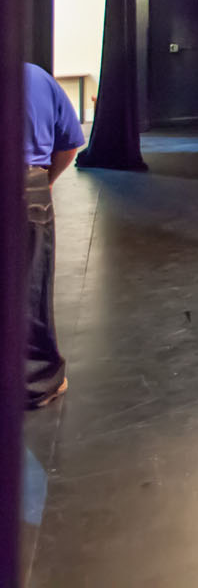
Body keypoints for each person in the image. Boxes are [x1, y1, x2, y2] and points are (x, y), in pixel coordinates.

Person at [24, 63, 85, 409]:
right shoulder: (35, 77)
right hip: (28, 185)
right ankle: (36, 383)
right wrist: (42, 184)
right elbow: (70, 144)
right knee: (32, 287)